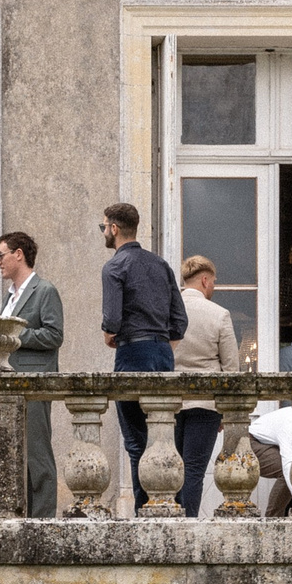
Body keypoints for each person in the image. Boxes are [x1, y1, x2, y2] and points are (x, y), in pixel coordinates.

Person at [99, 203, 185, 511]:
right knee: (164, 438)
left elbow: (111, 320)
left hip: (133, 353)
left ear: (115, 229)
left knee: (137, 442)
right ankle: (176, 507)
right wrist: (161, 345)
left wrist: (112, 336)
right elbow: (180, 320)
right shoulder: (160, 265)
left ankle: (144, 509)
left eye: (103, 227)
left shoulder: (115, 266)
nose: (104, 232)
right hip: (162, 353)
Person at [0, 230, 64, 519]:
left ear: (18, 254)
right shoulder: (9, 297)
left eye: (1, 255)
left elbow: (54, 335)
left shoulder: (44, 290)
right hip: (11, 382)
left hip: (35, 381)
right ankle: (25, 517)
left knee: (37, 454)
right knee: (17, 456)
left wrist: (13, 334)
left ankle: (44, 520)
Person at [171, 255, 242, 516]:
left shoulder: (168, 310)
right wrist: (224, 408)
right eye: (212, 282)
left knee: (172, 468)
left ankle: (172, 521)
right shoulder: (219, 315)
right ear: (204, 280)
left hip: (170, 404)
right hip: (205, 405)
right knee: (194, 470)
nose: (212, 287)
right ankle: (188, 521)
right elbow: (231, 369)